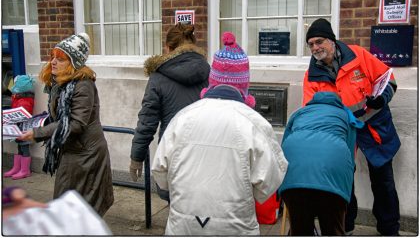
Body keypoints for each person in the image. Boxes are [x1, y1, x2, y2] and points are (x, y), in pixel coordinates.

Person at [151, 32, 288, 235]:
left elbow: (160, 174)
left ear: (211, 80)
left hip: (184, 227)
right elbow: (269, 183)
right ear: (244, 84)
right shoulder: (254, 124)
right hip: (234, 228)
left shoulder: (182, 118)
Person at [303, 18, 401, 236]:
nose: (315, 48)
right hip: (341, 133)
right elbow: (311, 109)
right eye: (310, 44)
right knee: (343, 182)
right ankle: (345, 227)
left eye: (319, 42)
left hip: (375, 128)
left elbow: (388, 79)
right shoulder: (311, 76)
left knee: (383, 182)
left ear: (331, 41)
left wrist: (381, 99)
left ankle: (389, 230)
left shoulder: (359, 55)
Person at [18, 33, 114, 217]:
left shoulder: (83, 85)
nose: (53, 62)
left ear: (74, 63)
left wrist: (36, 133)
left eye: (60, 58)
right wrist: (33, 123)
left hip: (86, 156)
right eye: (52, 56)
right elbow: (58, 118)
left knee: (78, 209)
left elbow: (75, 123)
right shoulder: (61, 84)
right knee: (69, 207)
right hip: (72, 151)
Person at [130, 23, 210, 202]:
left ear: (168, 47)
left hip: (173, 151)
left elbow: (147, 122)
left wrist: (137, 156)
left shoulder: (158, 77)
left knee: (177, 206)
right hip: (205, 150)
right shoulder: (209, 72)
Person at [279, 91, 364, 236]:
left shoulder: (299, 113)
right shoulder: (345, 115)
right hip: (332, 179)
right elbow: (350, 155)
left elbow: (282, 150)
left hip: (294, 179)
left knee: (300, 229)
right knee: (332, 229)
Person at [4, 75, 35, 180]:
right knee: (19, 147)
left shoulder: (25, 100)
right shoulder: (18, 98)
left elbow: (25, 113)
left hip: (24, 128)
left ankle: (25, 170)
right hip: (18, 127)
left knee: (24, 148)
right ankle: (17, 168)